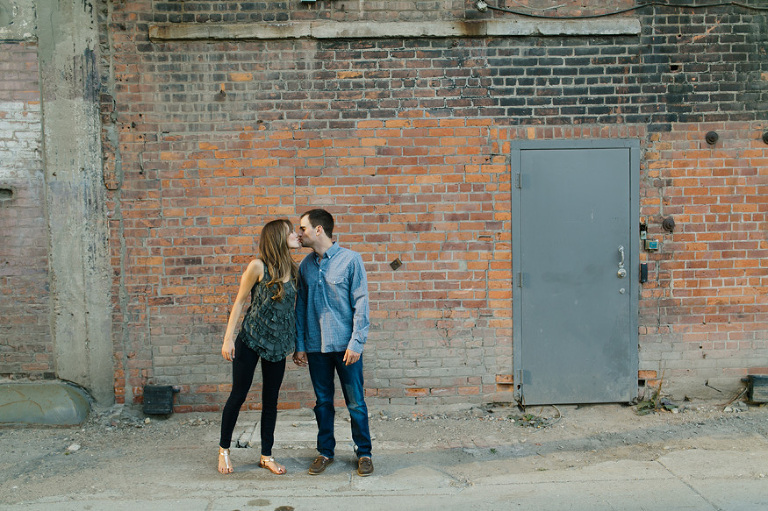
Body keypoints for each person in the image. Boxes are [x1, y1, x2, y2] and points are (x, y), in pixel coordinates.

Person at [293, 209, 374, 477]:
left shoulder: (351, 260)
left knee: (356, 403)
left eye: (302, 228)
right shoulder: (305, 266)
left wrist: (356, 343)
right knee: (323, 403)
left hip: (346, 347)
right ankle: (325, 451)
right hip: (316, 348)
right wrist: (300, 343)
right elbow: (301, 306)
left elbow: (361, 303)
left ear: (318, 230)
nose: (299, 233)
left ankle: (364, 452)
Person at [217, 219, 300, 475]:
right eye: (291, 232)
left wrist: (297, 345)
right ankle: (223, 450)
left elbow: (294, 312)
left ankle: (266, 456)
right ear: (278, 237)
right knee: (238, 396)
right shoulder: (257, 266)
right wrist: (228, 338)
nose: (296, 235)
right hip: (250, 340)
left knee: (271, 401)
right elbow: (240, 301)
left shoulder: (294, 270)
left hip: (278, 346)